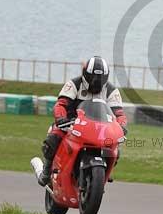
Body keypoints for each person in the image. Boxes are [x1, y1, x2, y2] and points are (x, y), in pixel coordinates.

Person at [37, 55, 128, 186]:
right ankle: (46, 171)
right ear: (86, 74)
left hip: (100, 128)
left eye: (100, 78)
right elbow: (61, 104)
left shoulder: (111, 91)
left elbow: (119, 113)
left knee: (114, 149)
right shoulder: (74, 84)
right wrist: (61, 118)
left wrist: (121, 126)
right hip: (71, 124)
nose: (96, 81)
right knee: (53, 139)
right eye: (94, 78)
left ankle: (104, 172)